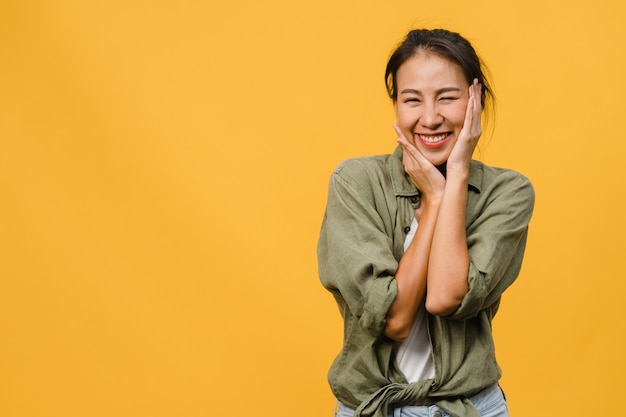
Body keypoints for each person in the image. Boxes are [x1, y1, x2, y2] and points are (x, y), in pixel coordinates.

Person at [317, 28, 535, 417]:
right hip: (370, 407)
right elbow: (396, 320)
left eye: (447, 98)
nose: (430, 118)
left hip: (472, 407)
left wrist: (458, 172)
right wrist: (433, 200)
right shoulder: (355, 184)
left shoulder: (507, 192)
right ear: (396, 105)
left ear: (475, 99)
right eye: (412, 100)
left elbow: (445, 297)